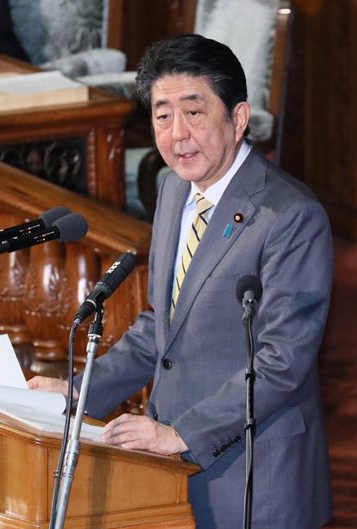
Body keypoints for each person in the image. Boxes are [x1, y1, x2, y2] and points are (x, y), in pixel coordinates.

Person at [29, 34, 334, 529]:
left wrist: (181, 433)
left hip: (256, 475)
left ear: (237, 118)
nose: (177, 134)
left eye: (194, 112)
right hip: (168, 468)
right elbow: (161, 326)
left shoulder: (291, 217)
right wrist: (76, 396)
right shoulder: (173, 189)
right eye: (162, 115)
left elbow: (283, 362)